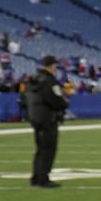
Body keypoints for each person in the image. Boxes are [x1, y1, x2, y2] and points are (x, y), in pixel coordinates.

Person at [23, 55, 69, 188]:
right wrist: (64, 104)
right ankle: (43, 179)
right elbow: (55, 99)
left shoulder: (34, 80)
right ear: (52, 66)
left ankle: (36, 177)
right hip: (47, 118)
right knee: (48, 149)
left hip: (36, 118)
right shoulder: (49, 81)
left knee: (40, 149)